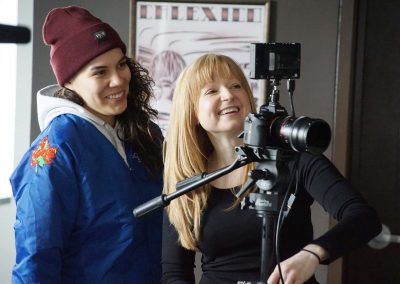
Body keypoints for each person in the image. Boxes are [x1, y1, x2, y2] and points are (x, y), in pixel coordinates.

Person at [161, 53, 381, 284]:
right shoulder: (187, 181)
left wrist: (312, 254)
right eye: (212, 91)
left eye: (236, 85)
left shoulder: (296, 161)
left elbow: (364, 218)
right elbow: (175, 273)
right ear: (192, 111)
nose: (228, 95)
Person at [10, 6, 163, 283]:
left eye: (121, 64)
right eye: (100, 72)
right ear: (69, 80)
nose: (118, 80)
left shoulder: (143, 132)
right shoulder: (55, 150)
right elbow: (36, 260)